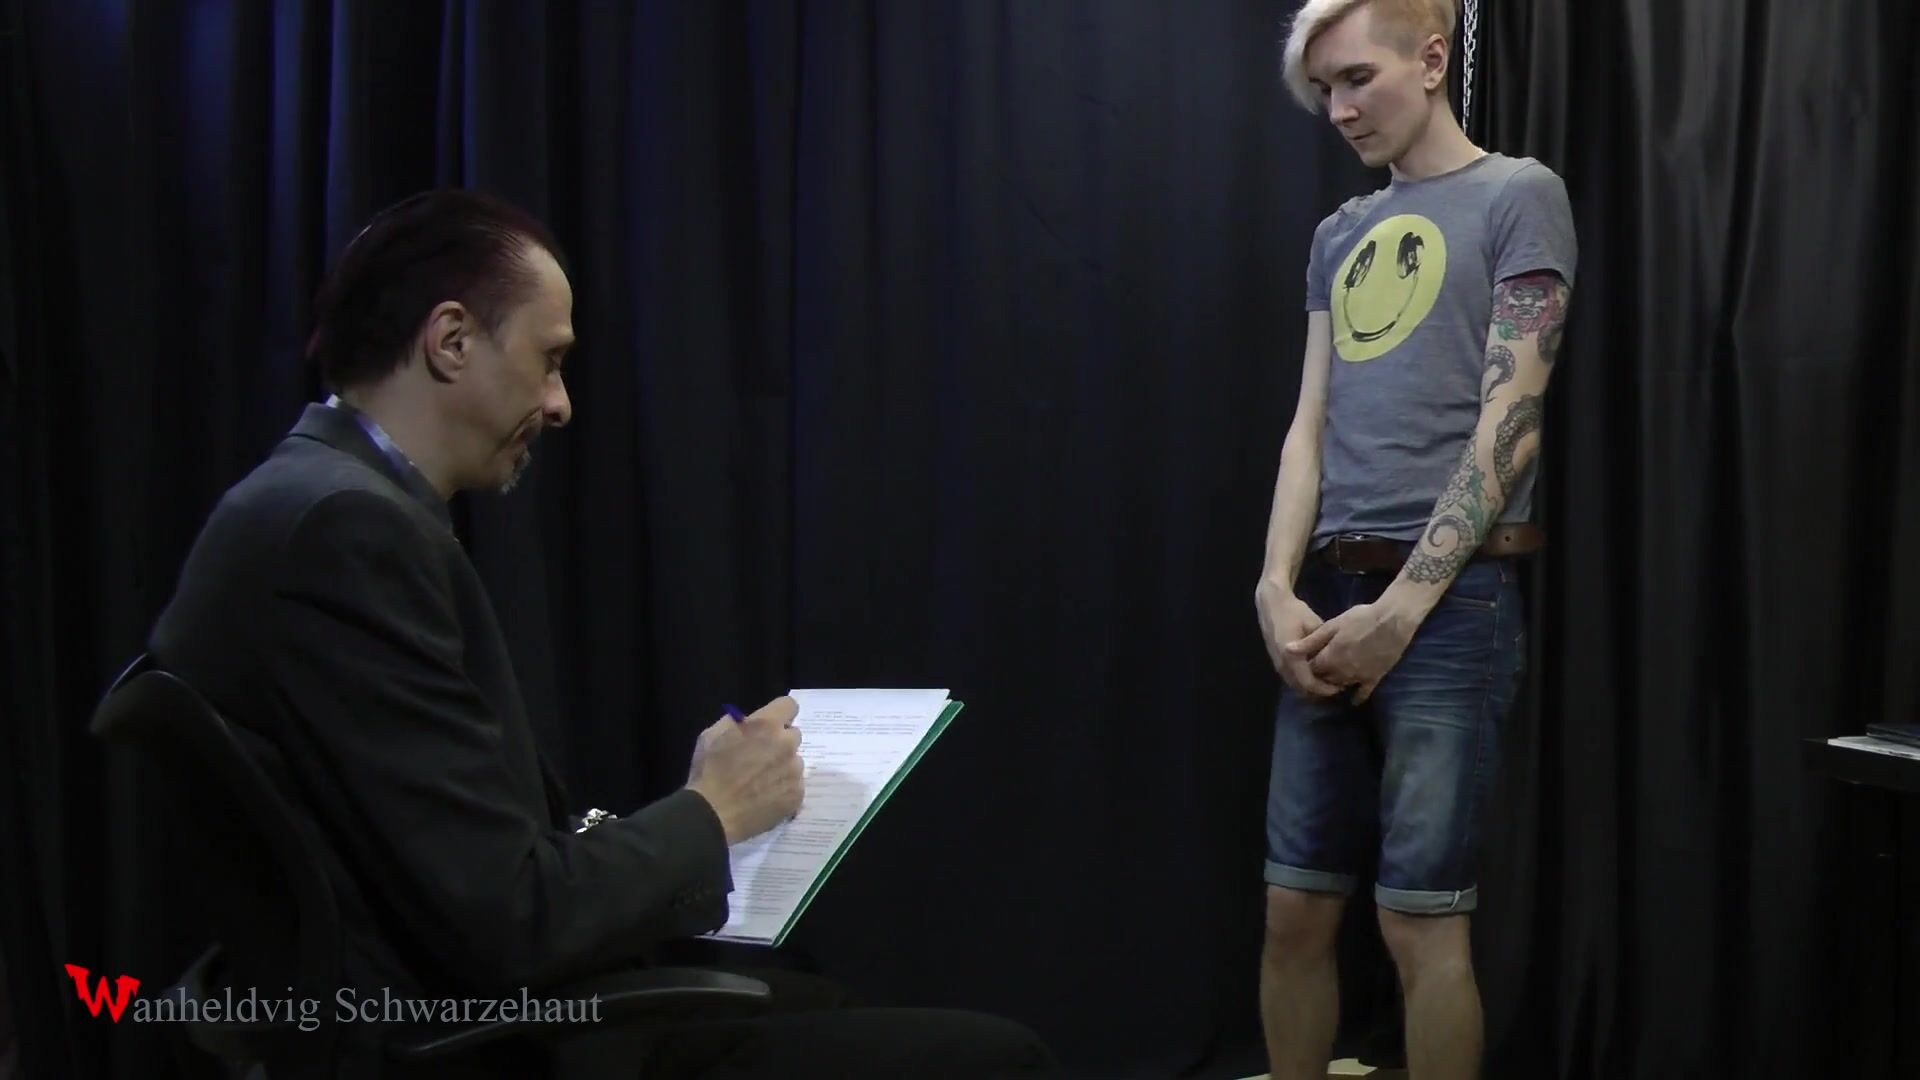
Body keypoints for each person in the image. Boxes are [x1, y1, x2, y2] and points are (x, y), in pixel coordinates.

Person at [147, 189, 1053, 1078]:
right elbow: (509, 920)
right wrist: (714, 811)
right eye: (549, 361)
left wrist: (678, 818)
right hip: (472, 1040)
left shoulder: (307, 501)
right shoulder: (346, 533)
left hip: (459, 1009)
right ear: (452, 340)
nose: (560, 404)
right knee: (991, 1058)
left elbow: (460, 858)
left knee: (816, 997)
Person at [1251, 1, 1577, 1078]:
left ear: (1433, 59)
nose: (1340, 110)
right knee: (1295, 909)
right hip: (1329, 603)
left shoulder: (1519, 194)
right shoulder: (1338, 235)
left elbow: (1510, 424)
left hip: (1451, 609)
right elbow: (1309, 425)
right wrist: (1273, 588)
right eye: (1325, 92)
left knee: (1420, 921)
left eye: (1357, 78)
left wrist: (1398, 615)